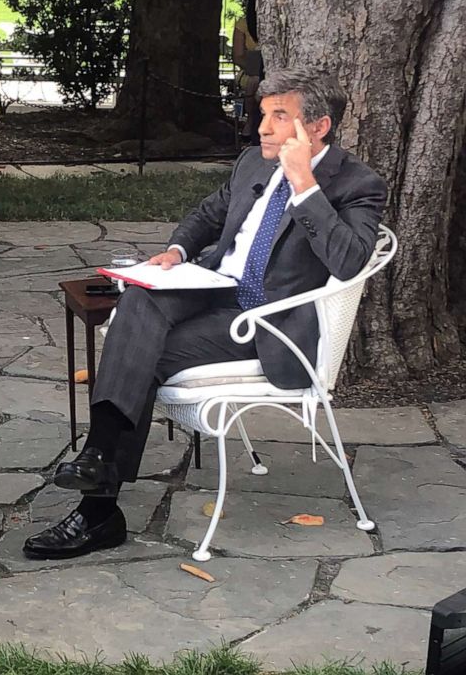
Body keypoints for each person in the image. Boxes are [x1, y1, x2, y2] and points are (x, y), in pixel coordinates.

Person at [22, 68, 386, 560]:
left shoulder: (357, 184)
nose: (262, 128)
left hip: (268, 321)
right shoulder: (252, 165)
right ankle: (100, 462)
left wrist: (303, 182)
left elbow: (349, 260)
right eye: (263, 114)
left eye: (280, 117)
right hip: (213, 292)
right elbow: (208, 215)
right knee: (139, 297)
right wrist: (176, 251)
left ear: (317, 127)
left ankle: (98, 502)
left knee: (141, 350)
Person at [232, 0, 263, 143]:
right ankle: (251, 122)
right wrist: (253, 67)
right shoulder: (243, 24)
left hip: (272, 72)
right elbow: (238, 56)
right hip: (251, 71)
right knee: (254, 82)